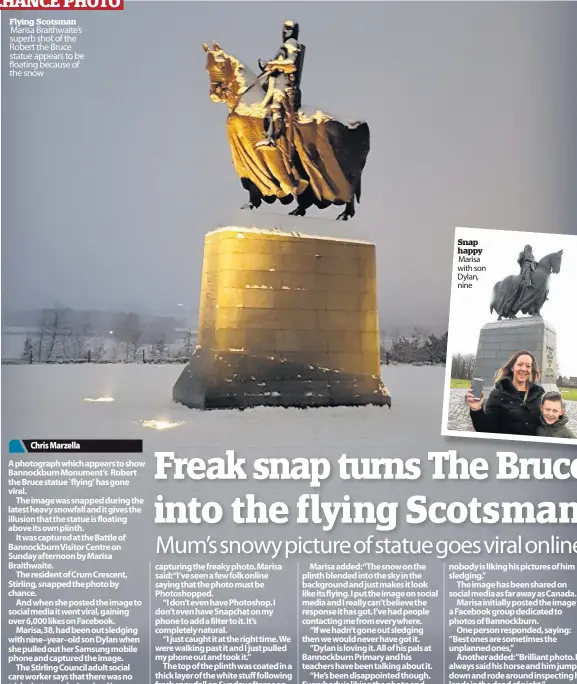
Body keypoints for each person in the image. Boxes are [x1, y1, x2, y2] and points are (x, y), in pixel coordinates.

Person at [466, 350, 544, 435]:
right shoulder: (498, 393)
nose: (524, 369)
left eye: (528, 366)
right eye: (520, 364)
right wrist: (476, 409)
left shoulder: (538, 394)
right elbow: (486, 428)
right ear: (512, 367)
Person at [255, 20, 303, 149]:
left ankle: (271, 137)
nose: (284, 32)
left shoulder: (291, 44)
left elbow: (291, 63)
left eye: (288, 29)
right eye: (284, 29)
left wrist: (274, 64)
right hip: (277, 84)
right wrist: (269, 65)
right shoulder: (286, 46)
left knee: (274, 108)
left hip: (284, 85)